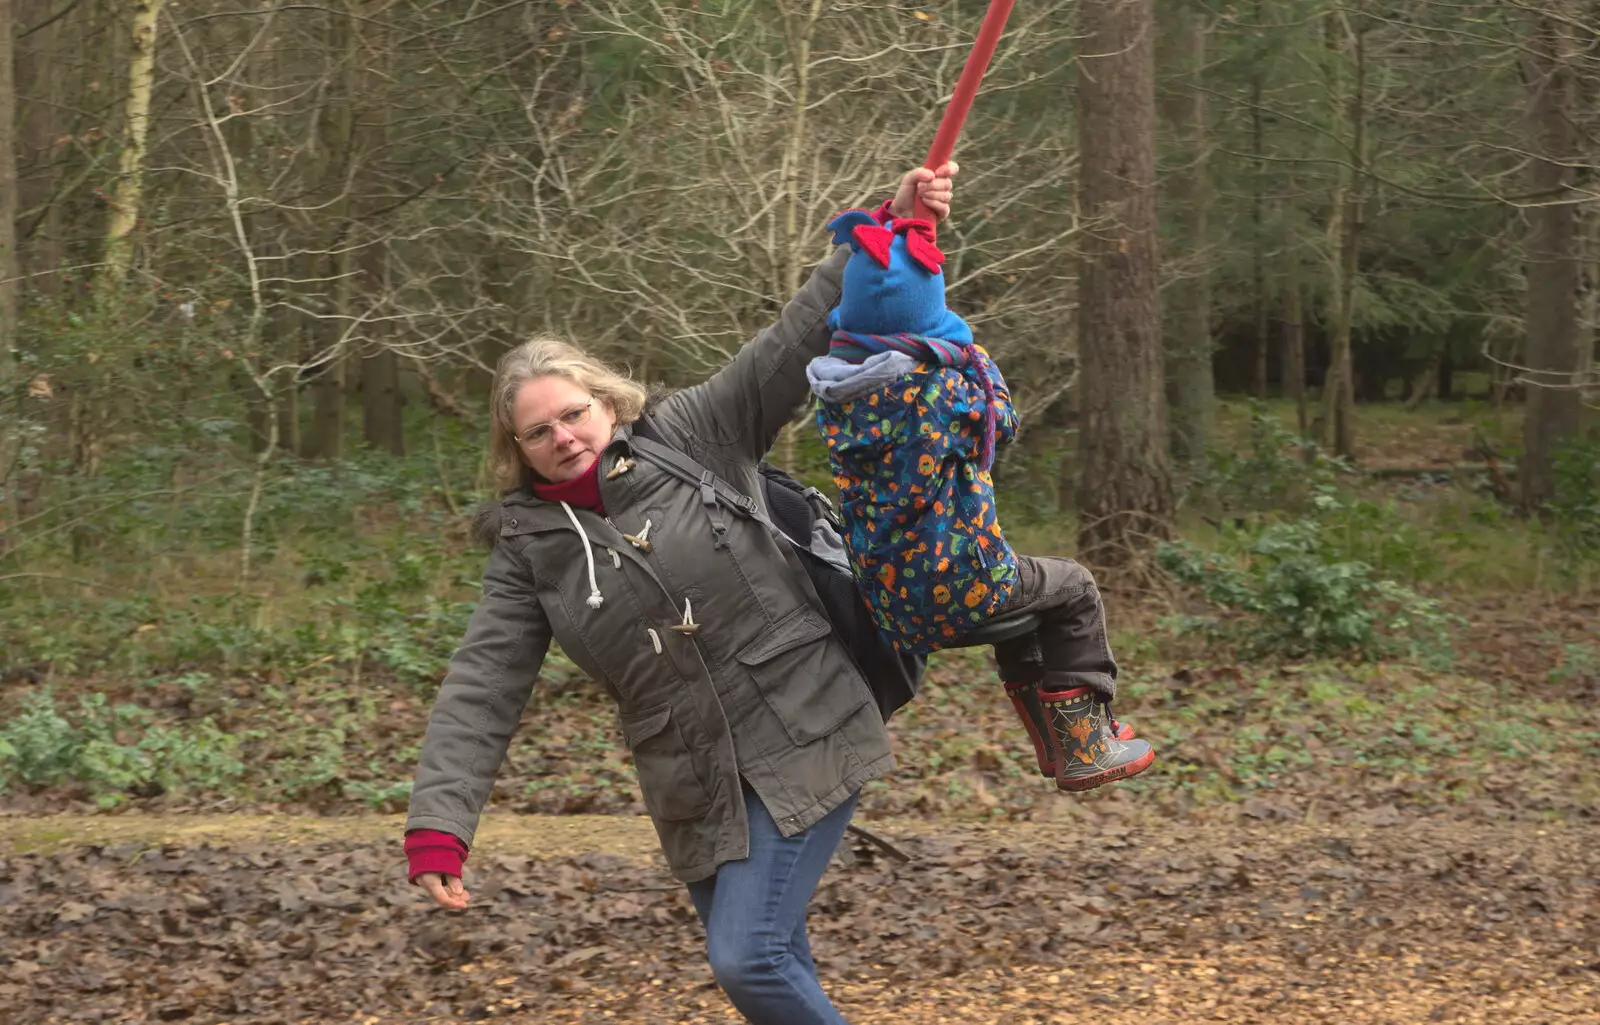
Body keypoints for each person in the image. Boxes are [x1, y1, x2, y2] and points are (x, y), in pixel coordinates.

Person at [403, 165, 958, 1025]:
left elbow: (791, 340)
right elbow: (482, 686)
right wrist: (441, 823)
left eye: (573, 413)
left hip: (802, 718)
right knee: (779, 963)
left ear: (604, 398)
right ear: (516, 447)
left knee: (751, 957)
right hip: (692, 776)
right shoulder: (527, 547)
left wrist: (879, 231)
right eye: (539, 431)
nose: (563, 437)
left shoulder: (694, 432)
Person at [804, 207, 1155, 792]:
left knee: (1026, 618)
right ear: (928, 332)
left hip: (889, 600)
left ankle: (1054, 741)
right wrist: (973, 356)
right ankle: (1087, 742)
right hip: (963, 583)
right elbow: (1003, 420)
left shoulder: (837, 397)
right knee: (1073, 586)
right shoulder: (938, 392)